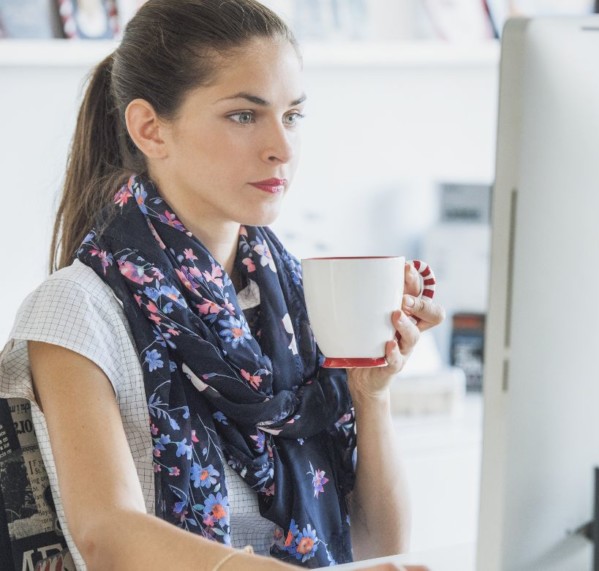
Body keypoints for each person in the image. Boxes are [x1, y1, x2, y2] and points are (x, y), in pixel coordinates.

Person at [0, 1, 444, 569]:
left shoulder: (299, 305)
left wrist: (370, 394)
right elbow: (106, 535)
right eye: (243, 115)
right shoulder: (76, 309)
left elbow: (379, 548)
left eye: (293, 116)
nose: (281, 148)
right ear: (150, 129)